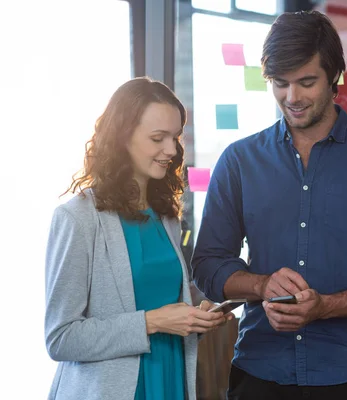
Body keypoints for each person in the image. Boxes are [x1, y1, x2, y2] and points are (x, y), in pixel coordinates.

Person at [192, 10, 347, 400]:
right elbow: (209, 266)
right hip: (258, 371)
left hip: (346, 376)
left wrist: (325, 307)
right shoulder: (239, 161)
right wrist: (262, 284)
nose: (292, 97)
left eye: (306, 82)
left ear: (334, 77)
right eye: (280, 84)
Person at [44, 77, 230, 400]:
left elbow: (166, 307)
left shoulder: (166, 217)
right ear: (123, 137)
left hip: (170, 380)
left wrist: (195, 318)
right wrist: (152, 322)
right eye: (158, 138)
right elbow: (61, 337)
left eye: (175, 137)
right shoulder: (78, 218)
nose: (171, 150)